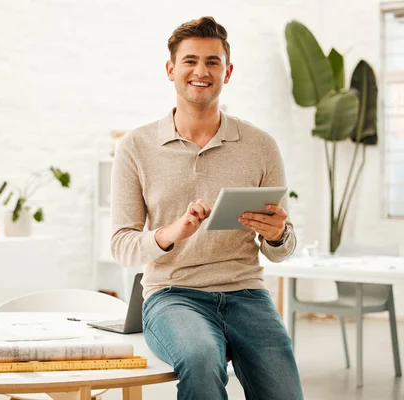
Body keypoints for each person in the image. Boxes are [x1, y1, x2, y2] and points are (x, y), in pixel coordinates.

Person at [110, 16, 304, 400]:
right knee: (200, 358)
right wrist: (171, 233)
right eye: (190, 60)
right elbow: (121, 244)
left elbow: (282, 249)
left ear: (227, 72)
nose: (201, 71)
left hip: (245, 292)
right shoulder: (135, 147)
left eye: (212, 62)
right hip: (172, 295)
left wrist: (278, 234)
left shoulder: (260, 145)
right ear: (171, 69)